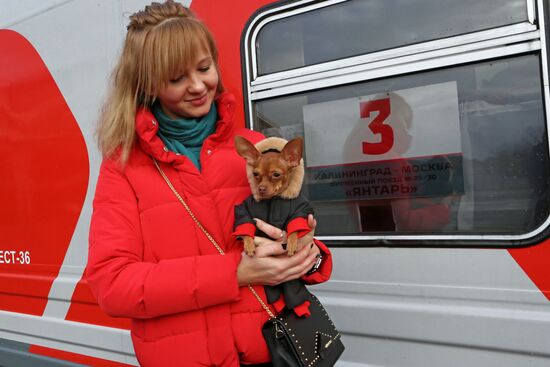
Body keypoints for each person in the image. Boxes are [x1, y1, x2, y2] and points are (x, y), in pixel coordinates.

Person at [86, 1, 332, 366]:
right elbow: (112, 285)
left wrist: (307, 254)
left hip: (275, 355)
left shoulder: (254, 148)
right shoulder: (124, 166)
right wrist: (235, 272)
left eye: (205, 68)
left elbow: (293, 226)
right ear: (148, 85)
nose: (199, 86)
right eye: (176, 78)